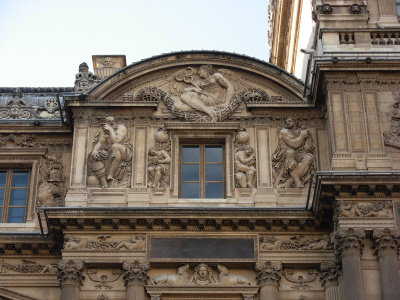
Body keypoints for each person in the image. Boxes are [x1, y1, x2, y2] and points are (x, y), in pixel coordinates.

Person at [89, 117, 132, 187]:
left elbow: (117, 140)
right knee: (92, 156)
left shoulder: (121, 128)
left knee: (115, 146)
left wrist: (110, 129)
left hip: (124, 151)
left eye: (112, 121)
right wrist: (95, 150)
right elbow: (100, 143)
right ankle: (104, 183)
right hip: (109, 152)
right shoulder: (104, 131)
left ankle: (110, 174)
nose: (111, 123)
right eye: (108, 121)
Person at [272, 117, 314, 188]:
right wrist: (303, 135)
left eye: (290, 121)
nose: (287, 123)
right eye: (286, 121)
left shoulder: (301, 131)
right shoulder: (284, 132)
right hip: (284, 152)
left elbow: (308, 146)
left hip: (298, 153)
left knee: (309, 158)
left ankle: (290, 181)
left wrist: (308, 142)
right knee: (290, 153)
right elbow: (294, 145)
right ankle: (297, 181)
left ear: (296, 122)